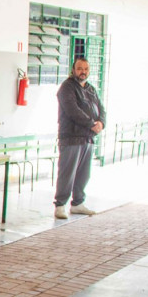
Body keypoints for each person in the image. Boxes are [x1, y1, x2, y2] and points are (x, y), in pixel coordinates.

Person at [54, 57, 105, 219]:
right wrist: (91, 123)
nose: (83, 72)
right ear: (73, 69)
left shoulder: (90, 89)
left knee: (84, 173)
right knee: (67, 173)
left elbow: (101, 109)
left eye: (86, 69)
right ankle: (60, 205)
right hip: (71, 138)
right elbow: (72, 110)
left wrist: (101, 123)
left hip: (88, 138)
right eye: (79, 68)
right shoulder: (67, 88)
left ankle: (78, 204)